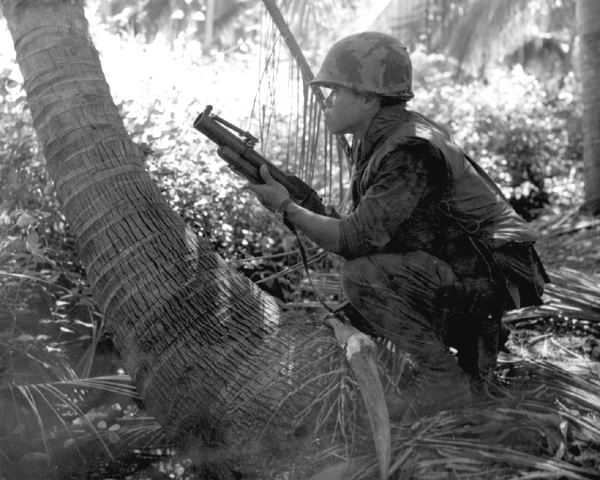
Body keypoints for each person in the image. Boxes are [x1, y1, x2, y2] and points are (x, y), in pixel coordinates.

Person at [248, 31, 549, 416]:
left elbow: (354, 241)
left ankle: (445, 381)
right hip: (472, 267)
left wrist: (287, 207)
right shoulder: (385, 136)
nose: (327, 101)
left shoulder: (408, 150)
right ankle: (473, 340)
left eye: (336, 91)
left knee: (360, 277)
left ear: (369, 98)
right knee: (354, 305)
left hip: (491, 276)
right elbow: (373, 229)